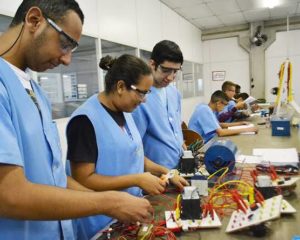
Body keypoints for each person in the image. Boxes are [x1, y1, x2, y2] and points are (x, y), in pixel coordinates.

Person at [0, 1, 152, 239]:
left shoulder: (36, 92)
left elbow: (54, 177)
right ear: (34, 20)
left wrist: (109, 207)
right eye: (65, 44)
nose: (67, 60)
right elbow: (8, 195)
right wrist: (107, 202)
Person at [67, 54, 174, 239]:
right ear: (121, 86)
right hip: (101, 220)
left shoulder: (125, 111)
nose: (144, 100)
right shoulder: (85, 121)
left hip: (129, 211)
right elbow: (83, 179)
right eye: (141, 92)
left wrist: (166, 171)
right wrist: (137, 179)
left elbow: (134, 154)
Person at [132, 40, 188, 171]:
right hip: (154, 175)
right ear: (152, 64)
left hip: (178, 168)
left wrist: (182, 145)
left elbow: (176, 128)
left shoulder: (174, 93)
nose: (170, 77)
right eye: (166, 70)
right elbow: (133, 147)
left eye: (175, 71)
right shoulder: (138, 97)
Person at [188, 91, 258, 143]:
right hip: (202, 146)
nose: (224, 108)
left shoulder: (208, 109)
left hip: (210, 140)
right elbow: (221, 132)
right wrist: (247, 129)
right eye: (224, 105)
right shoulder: (204, 109)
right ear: (218, 103)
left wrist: (240, 123)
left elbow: (219, 125)